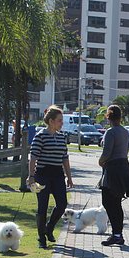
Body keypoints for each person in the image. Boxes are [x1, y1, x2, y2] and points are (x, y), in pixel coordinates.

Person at [27, 106, 73, 249]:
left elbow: (65, 158)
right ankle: (41, 238)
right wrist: (31, 176)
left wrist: (69, 177)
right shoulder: (40, 136)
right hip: (43, 175)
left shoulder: (61, 137)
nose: (61, 123)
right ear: (51, 121)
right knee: (43, 207)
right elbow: (33, 157)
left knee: (62, 204)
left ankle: (49, 227)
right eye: (59, 121)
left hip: (58, 174)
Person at [98, 105, 129, 246]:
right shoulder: (125, 132)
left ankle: (116, 233)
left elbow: (107, 152)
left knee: (108, 202)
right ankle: (117, 234)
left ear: (108, 117)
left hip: (113, 170)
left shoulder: (110, 132)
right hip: (124, 168)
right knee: (116, 203)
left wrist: (101, 161)